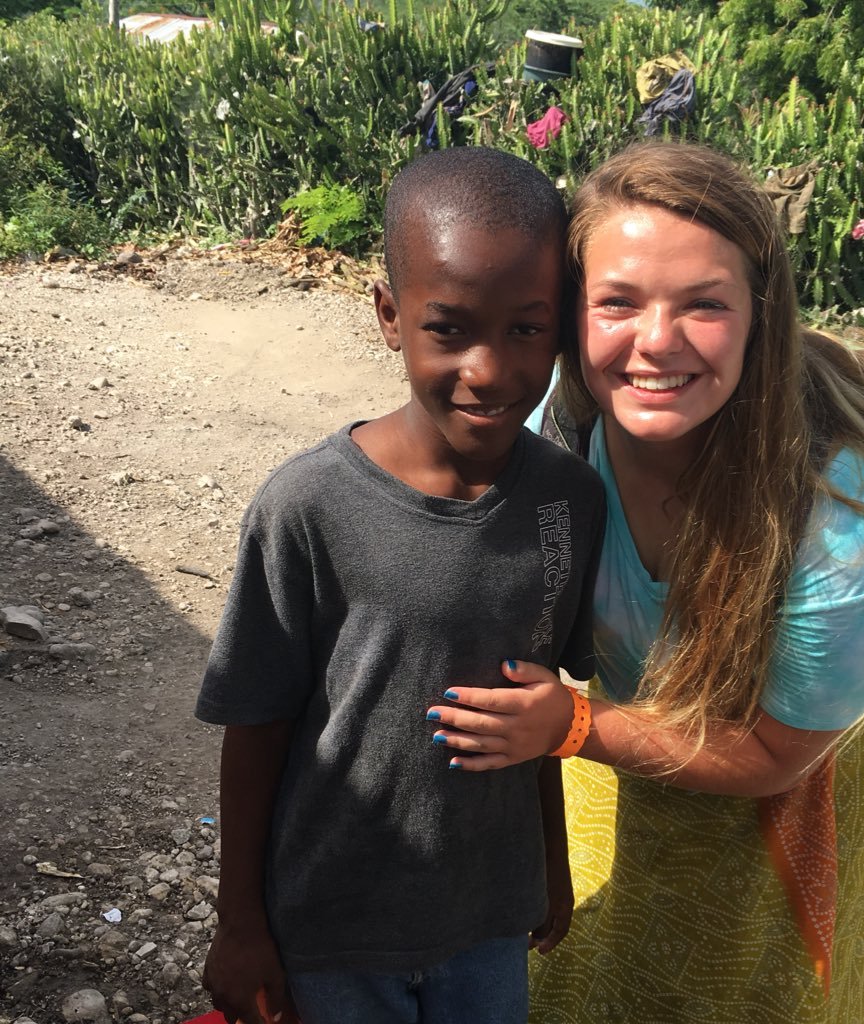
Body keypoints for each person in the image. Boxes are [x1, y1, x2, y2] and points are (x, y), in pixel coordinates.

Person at [425, 141, 864, 1023]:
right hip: (599, 738)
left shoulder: (841, 527)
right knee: (581, 978)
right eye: (618, 301)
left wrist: (573, 722)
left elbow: (773, 755)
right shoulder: (556, 427)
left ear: (761, 316)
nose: (656, 342)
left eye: (704, 306)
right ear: (573, 311)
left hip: (777, 792)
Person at [195, 146, 606, 1024]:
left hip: (490, 922)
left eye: (527, 329)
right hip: (336, 931)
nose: (489, 370)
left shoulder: (570, 501)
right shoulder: (307, 506)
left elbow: (536, 704)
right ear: (390, 313)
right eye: (449, 328)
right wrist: (239, 925)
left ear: (563, 322)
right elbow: (256, 724)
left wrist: (553, 866)